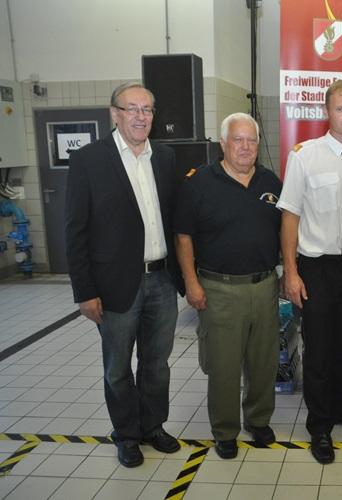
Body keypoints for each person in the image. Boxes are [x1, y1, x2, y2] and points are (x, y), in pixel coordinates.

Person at [65, 82, 183, 468]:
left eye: (147, 109)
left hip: (162, 280)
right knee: (117, 368)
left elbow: (175, 218)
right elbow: (75, 230)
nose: (140, 116)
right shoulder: (89, 160)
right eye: (131, 108)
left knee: (156, 364)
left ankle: (153, 426)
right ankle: (127, 435)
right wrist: (84, 291)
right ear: (114, 113)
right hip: (115, 285)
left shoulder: (164, 157)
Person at [278, 80, 342, 465]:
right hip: (316, 268)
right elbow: (290, 216)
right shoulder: (304, 156)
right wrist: (291, 272)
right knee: (318, 350)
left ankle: (339, 407)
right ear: (326, 111)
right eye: (340, 109)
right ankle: (319, 425)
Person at [174, 113, 282, 460]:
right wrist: (191, 282)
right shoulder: (199, 183)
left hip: (264, 286)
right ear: (223, 143)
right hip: (218, 289)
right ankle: (225, 431)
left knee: (263, 362)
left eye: (252, 140)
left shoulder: (270, 181)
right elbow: (184, 237)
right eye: (238, 139)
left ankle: (258, 420)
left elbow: (285, 229)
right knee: (223, 366)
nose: (246, 147)